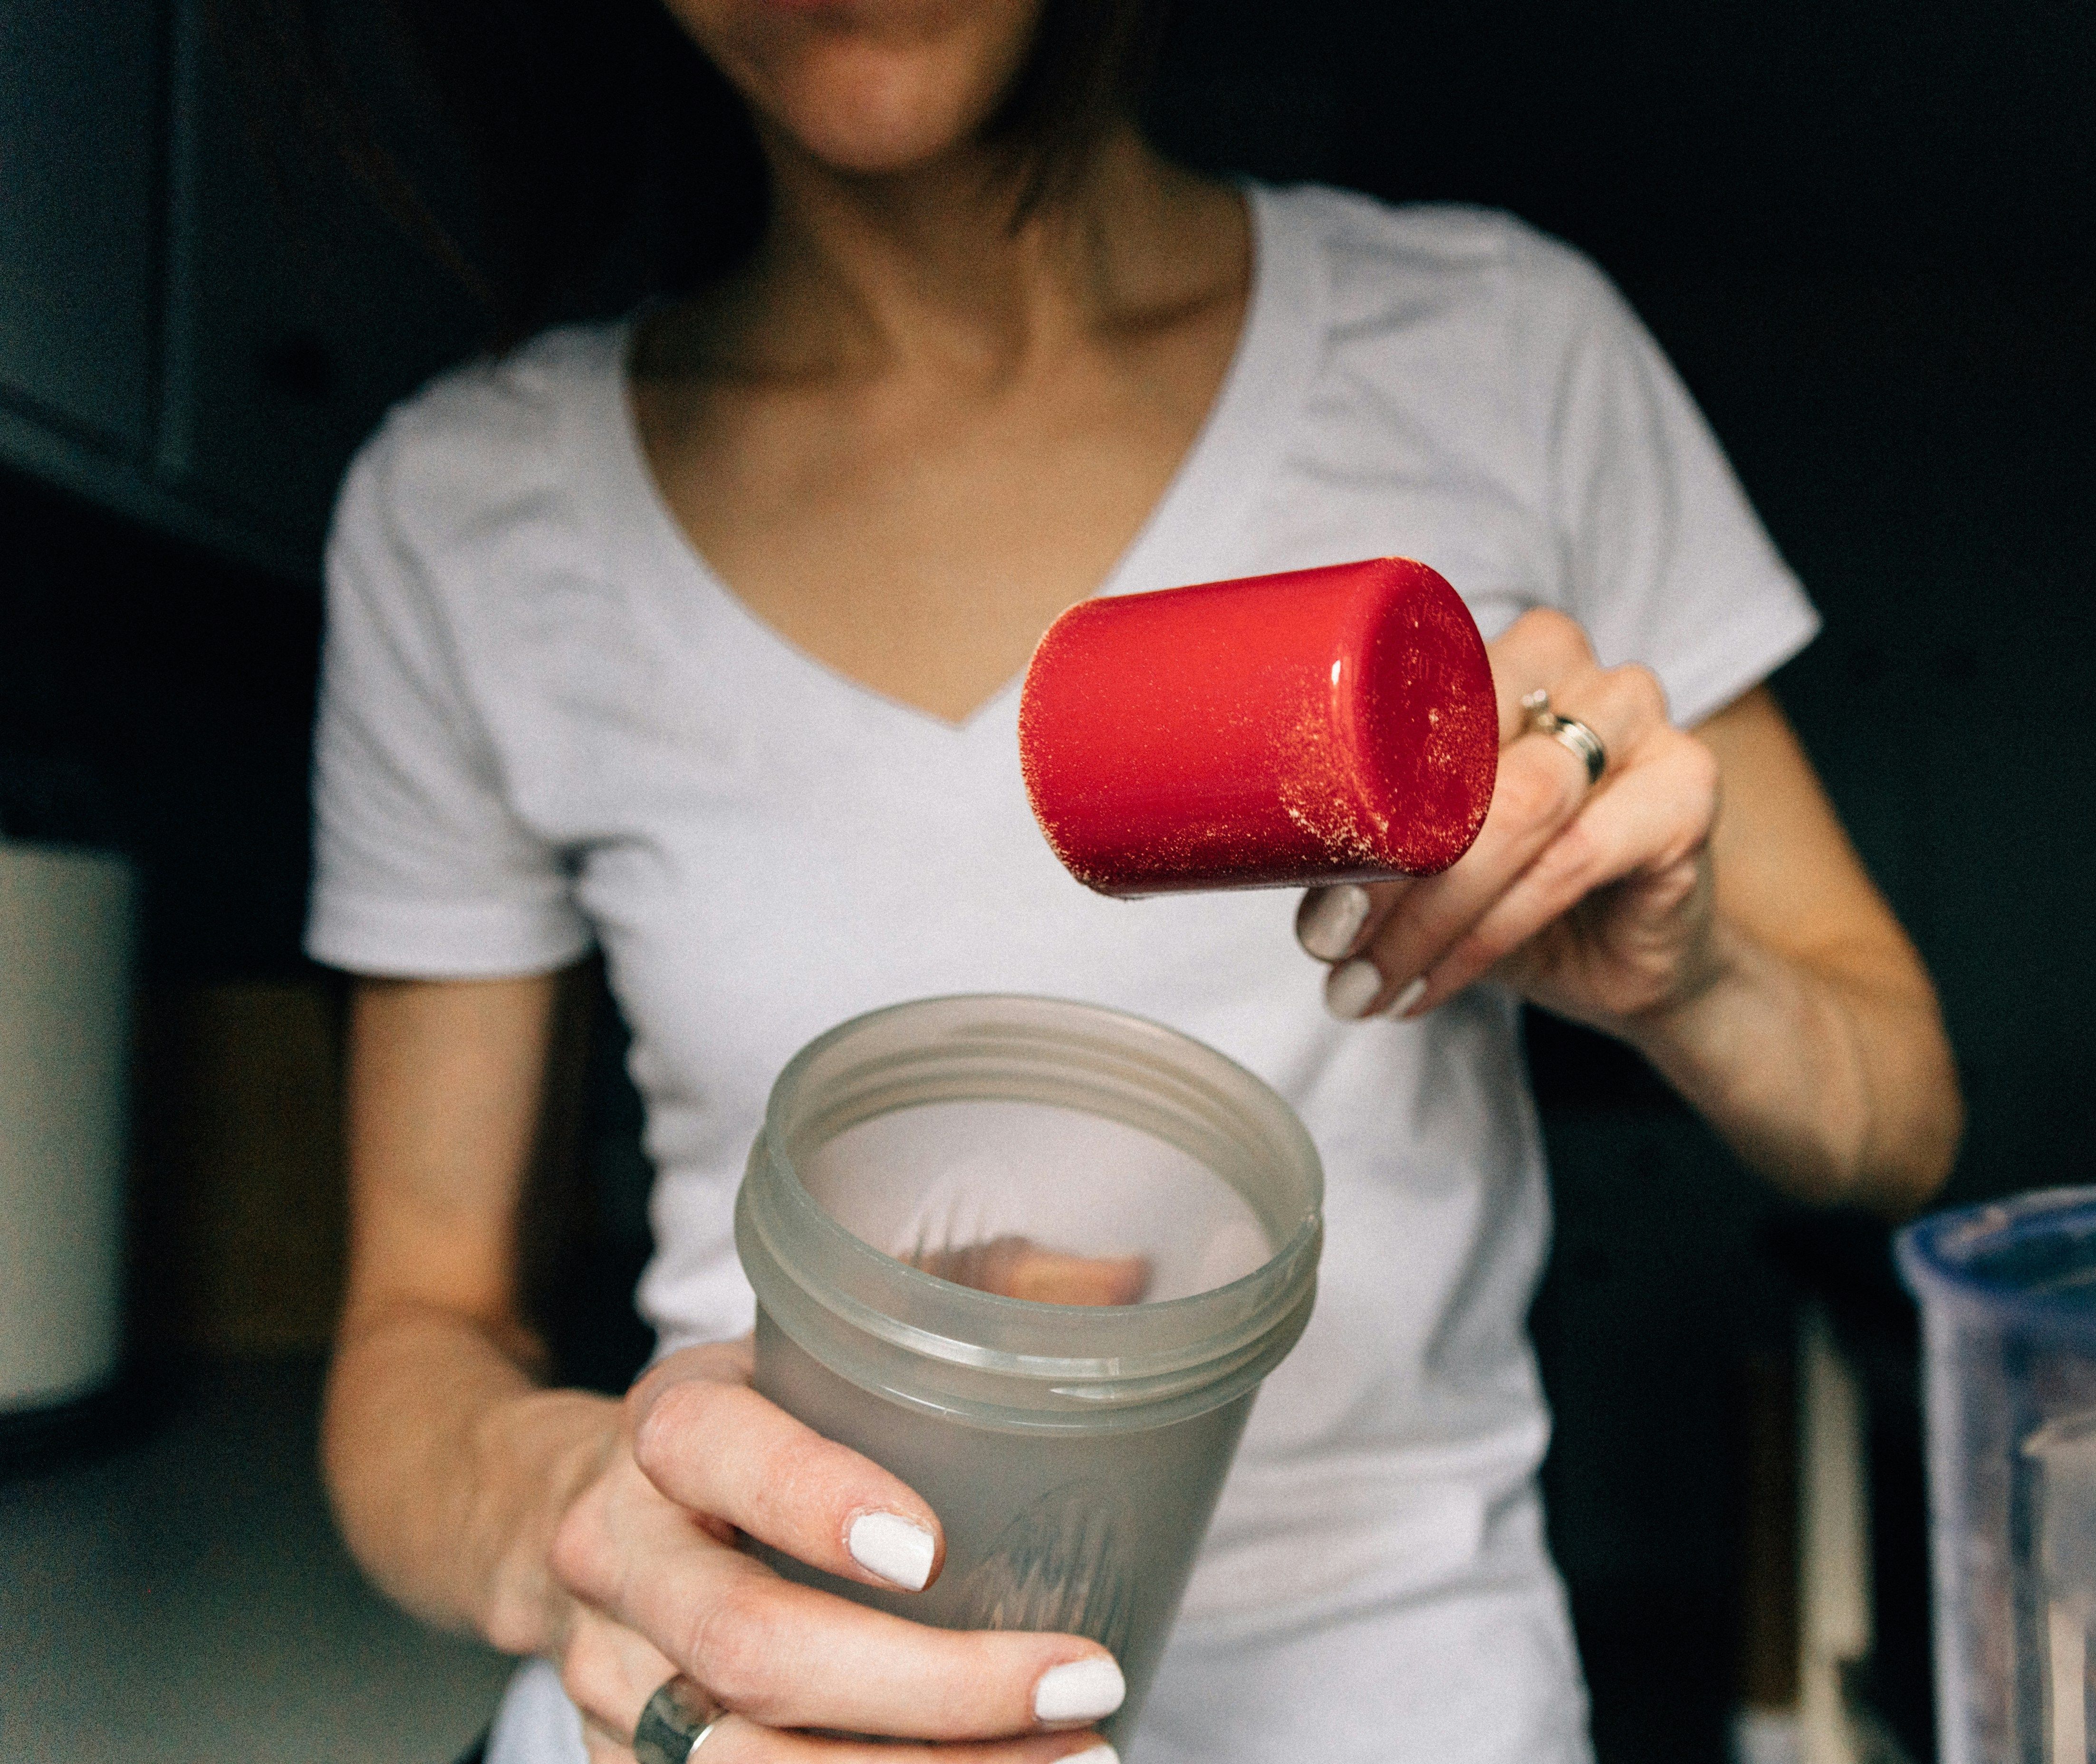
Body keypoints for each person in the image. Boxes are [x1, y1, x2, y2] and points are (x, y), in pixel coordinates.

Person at [306, 1, 1963, 1760]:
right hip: (743, 1712)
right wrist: (586, 1532)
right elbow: (419, 1331)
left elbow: (1903, 1121)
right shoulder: (467, 510)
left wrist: (1693, 978)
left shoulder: (1500, 348)